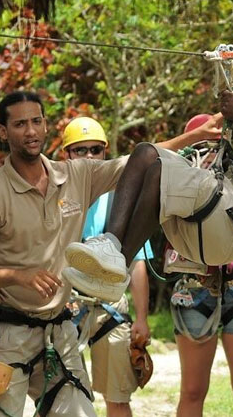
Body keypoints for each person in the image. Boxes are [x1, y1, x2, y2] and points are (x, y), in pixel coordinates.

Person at [0, 91, 211, 416]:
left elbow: (143, 160)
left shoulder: (76, 175)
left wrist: (198, 135)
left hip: (58, 334)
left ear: (46, 125)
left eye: (36, 121)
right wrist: (16, 275)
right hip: (7, 334)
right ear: (3, 132)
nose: (31, 131)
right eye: (20, 124)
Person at [63, 31, 233, 327]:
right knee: (145, 153)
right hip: (211, 218)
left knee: (160, 171)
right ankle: (113, 250)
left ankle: (117, 264)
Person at [160, 114, 233, 417]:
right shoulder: (174, 187)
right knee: (193, 389)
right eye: (200, 145)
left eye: (216, 145)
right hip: (194, 287)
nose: (210, 153)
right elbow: (148, 153)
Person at [58, 117, 153, 417]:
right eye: (80, 150)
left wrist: (142, 318)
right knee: (64, 397)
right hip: (66, 309)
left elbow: (137, 265)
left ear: (105, 153)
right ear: (66, 155)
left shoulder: (121, 203)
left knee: (118, 399)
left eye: (95, 150)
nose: (89, 157)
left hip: (112, 309)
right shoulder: (55, 201)